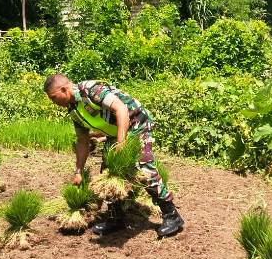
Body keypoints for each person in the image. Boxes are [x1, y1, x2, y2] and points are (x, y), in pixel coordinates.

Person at [43, 74, 184, 238]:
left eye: (54, 98)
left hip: (135, 122)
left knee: (144, 167)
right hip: (115, 130)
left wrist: (121, 144)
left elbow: (121, 109)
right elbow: (82, 140)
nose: (54, 102)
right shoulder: (74, 110)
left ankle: (171, 215)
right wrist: (78, 171)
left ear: (64, 89)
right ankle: (115, 218)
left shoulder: (90, 90)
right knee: (108, 171)